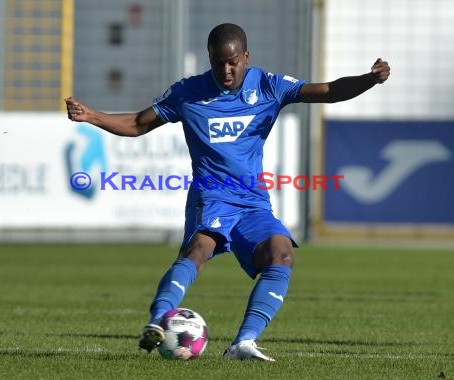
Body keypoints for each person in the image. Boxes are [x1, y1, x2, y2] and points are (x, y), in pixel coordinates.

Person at [65, 23, 390, 361]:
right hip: (212, 195)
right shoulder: (188, 93)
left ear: (246, 57)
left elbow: (328, 91)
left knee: (282, 254)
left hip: (253, 202)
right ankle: (158, 321)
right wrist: (92, 116)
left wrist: (368, 79)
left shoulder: (267, 85)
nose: (226, 70)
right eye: (218, 62)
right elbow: (136, 123)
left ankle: (243, 343)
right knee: (199, 252)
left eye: (233, 62)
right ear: (209, 59)